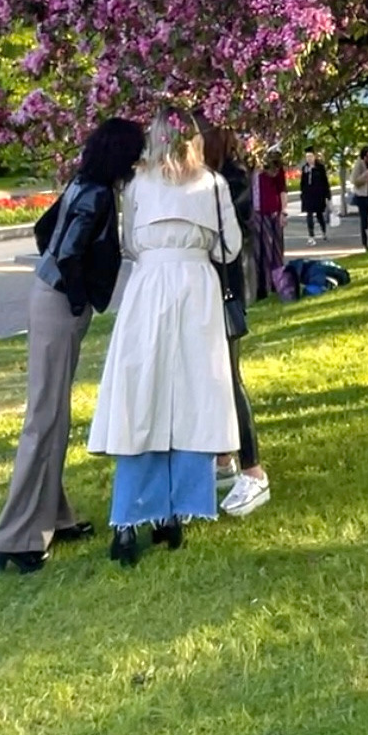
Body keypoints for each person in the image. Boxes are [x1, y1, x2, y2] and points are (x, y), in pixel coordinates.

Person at [0, 118, 145, 574]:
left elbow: (44, 232)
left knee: (52, 413)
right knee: (44, 417)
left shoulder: (84, 183)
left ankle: (53, 516)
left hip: (48, 296)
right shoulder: (96, 194)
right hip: (60, 302)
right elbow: (68, 251)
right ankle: (14, 538)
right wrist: (80, 300)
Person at [88, 111, 240, 565]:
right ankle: (175, 511)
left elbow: (130, 243)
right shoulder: (212, 184)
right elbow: (229, 247)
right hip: (196, 287)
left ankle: (130, 516)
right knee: (192, 395)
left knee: (142, 393)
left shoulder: (136, 185)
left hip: (150, 286)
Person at [203, 122, 270, 519]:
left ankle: (252, 468)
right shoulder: (220, 177)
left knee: (228, 376)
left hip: (224, 288)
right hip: (209, 285)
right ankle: (224, 457)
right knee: (214, 376)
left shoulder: (229, 179)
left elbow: (229, 238)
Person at [251, 153, 288, 298]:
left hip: (272, 213)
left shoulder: (273, 163)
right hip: (256, 213)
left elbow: (282, 189)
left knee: (274, 252)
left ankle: (277, 285)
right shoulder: (250, 166)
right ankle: (261, 288)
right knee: (259, 253)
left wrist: (283, 211)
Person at [299, 151, 332, 241]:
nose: (309, 159)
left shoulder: (320, 168)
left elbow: (325, 182)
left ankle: (323, 231)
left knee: (319, 214)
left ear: (314, 157)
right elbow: (302, 182)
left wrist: (327, 195)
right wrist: (302, 193)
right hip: (308, 195)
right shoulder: (305, 168)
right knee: (309, 214)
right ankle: (311, 234)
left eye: (310, 156)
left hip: (318, 195)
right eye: (307, 157)